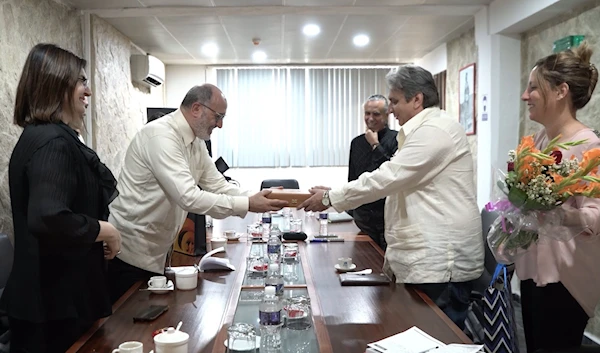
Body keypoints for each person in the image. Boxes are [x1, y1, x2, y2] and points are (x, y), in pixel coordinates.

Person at [299, 65, 484, 329]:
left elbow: (386, 177)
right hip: (427, 260)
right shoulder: (420, 130)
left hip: (440, 264)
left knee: (436, 338)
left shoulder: (436, 130)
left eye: (395, 101)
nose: (391, 109)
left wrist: (330, 198)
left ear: (417, 99)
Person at [108, 84, 288, 302]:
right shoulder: (161, 136)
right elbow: (188, 197)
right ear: (196, 108)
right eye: (218, 116)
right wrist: (248, 205)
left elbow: (217, 184)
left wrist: (257, 197)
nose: (220, 124)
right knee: (126, 328)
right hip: (128, 253)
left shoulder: (196, 142)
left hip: (155, 251)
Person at [0, 43, 122, 353]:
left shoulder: (43, 136)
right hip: (53, 307)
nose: (88, 91)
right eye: (81, 81)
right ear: (57, 84)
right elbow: (48, 216)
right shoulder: (53, 142)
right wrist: (104, 230)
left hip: (53, 302)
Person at [517, 42, 600, 352]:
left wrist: (561, 215)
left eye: (533, 88)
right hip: (533, 271)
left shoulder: (588, 145)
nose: (526, 96)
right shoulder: (540, 138)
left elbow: (595, 215)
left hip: (565, 281)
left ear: (561, 91)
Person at [348, 94, 398, 250]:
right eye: (367, 113)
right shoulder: (357, 143)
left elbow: (393, 175)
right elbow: (352, 180)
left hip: (387, 220)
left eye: (376, 114)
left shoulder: (398, 139)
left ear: (387, 114)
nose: (370, 118)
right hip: (362, 219)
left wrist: (376, 145)